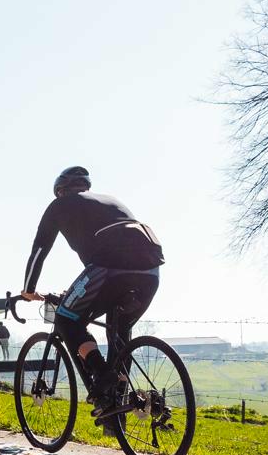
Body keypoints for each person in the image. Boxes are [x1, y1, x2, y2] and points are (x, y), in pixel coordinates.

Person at [19, 166, 163, 415]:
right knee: (119, 331)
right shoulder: (111, 201)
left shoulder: (60, 205)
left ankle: (102, 373)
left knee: (66, 318)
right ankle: (115, 403)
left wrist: (29, 289)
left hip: (109, 269)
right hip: (150, 274)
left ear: (60, 191)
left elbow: (39, 250)